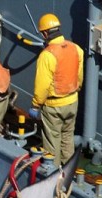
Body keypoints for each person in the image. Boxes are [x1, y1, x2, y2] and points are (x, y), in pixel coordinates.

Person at [28, 13, 84, 167]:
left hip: (54, 106)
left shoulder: (47, 55)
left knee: (52, 143)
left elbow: (42, 86)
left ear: (45, 33)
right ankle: (69, 172)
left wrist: (35, 105)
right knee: (67, 138)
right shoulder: (76, 48)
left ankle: (53, 173)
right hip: (72, 101)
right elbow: (79, 78)